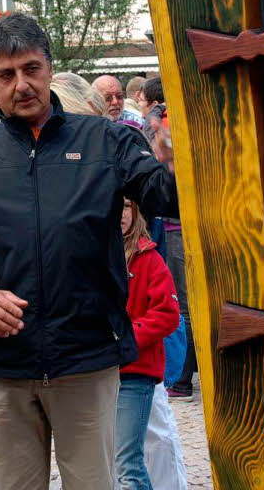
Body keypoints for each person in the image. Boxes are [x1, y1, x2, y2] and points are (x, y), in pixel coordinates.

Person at [0, 12, 178, 490]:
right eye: (6, 75)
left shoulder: (106, 141)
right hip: (6, 362)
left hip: (86, 358)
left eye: (31, 68)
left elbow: (162, 195)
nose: (22, 85)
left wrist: (173, 157)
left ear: (48, 67)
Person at [117, 198, 179, 490]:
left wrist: (127, 337)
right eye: (114, 205)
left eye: (127, 206)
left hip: (136, 370)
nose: (121, 213)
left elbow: (168, 314)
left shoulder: (148, 257)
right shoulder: (89, 256)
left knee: (128, 463)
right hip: (96, 373)